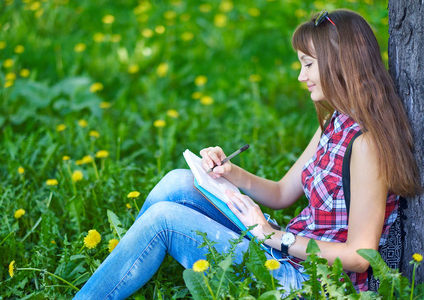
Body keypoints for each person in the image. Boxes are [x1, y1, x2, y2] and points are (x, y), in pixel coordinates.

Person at [74, 9, 420, 299]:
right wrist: (231, 174)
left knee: (164, 220)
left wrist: (271, 235)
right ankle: (125, 268)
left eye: (308, 65)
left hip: (314, 284)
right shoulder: (335, 122)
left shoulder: (366, 145)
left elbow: (361, 257)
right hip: (291, 254)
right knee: (178, 183)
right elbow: (283, 193)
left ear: (340, 64)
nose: (301, 76)